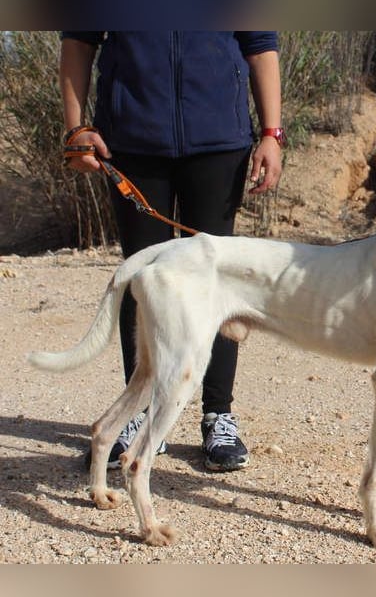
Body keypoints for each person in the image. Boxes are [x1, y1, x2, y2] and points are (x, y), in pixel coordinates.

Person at [59, 31, 283, 472]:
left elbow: (260, 44)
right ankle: (137, 415)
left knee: (222, 285)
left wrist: (272, 133)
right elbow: (78, 42)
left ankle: (218, 415)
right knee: (142, 281)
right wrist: (76, 127)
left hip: (219, 143)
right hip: (133, 143)